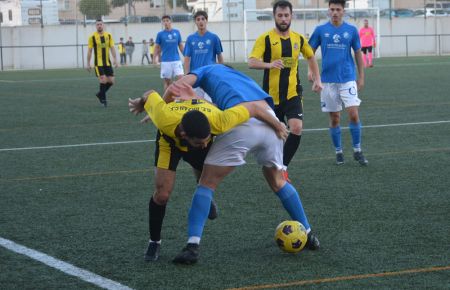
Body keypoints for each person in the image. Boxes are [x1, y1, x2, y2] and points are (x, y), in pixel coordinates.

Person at [163, 64, 320, 265]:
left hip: (245, 122)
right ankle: (307, 232)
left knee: (207, 183)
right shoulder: (238, 75)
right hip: (271, 121)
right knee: (278, 182)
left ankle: (192, 246)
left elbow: (175, 88)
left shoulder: (204, 70)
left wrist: (166, 108)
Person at [128, 81, 287, 262]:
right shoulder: (164, 118)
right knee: (162, 194)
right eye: (200, 142)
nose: (205, 144)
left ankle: (205, 197)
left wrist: (277, 124)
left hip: (202, 120)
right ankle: (154, 241)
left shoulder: (219, 121)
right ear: (184, 135)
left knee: (204, 173)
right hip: (169, 143)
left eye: (207, 139)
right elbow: (150, 93)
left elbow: (253, 108)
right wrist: (142, 103)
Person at [248, 0, 322, 182]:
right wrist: (270, 64)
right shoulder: (265, 39)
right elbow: (251, 62)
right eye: (279, 15)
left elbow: (311, 56)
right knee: (276, 135)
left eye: (286, 15)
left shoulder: (298, 39)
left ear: (291, 16)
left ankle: (283, 167)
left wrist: (317, 78)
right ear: (274, 16)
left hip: (292, 93)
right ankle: (273, 166)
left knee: (296, 128)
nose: (283, 19)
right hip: (271, 97)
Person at [308, 0, 368, 165]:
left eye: (338, 9)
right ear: (328, 11)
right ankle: (339, 152)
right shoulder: (320, 30)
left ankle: (357, 150)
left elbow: (357, 54)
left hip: (348, 78)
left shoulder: (351, 30)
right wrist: (311, 71)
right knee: (335, 118)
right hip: (327, 81)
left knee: (354, 115)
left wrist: (361, 76)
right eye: (332, 9)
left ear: (343, 11)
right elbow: (309, 52)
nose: (334, 12)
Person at [184, 10, 224, 101]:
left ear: (206, 21)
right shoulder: (190, 39)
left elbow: (219, 56)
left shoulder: (214, 37)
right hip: (195, 76)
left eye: (203, 19)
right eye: (198, 19)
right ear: (195, 22)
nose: (201, 21)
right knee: (195, 103)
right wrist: (186, 76)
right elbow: (186, 59)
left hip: (210, 75)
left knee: (210, 103)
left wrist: (222, 71)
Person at [87, 19, 118, 107]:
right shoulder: (92, 37)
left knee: (111, 81)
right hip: (98, 63)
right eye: (97, 25)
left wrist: (115, 59)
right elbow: (89, 51)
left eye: (100, 24)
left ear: (103, 25)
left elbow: (112, 48)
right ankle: (103, 101)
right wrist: (88, 63)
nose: (99, 26)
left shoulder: (108, 35)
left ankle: (100, 94)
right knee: (103, 79)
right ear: (96, 26)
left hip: (107, 63)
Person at [154, 15, 184, 91]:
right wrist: (154, 59)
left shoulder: (177, 32)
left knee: (182, 79)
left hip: (176, 60)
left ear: (170, 21)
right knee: (167, 82)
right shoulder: (160, 34)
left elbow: (180, 45)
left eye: (167, 20)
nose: (166, 22)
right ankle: (167, 101)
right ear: (162, 23)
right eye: (164, 21)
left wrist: (186, 55)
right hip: (165, 61)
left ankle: (180, 98)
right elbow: (157, 47)